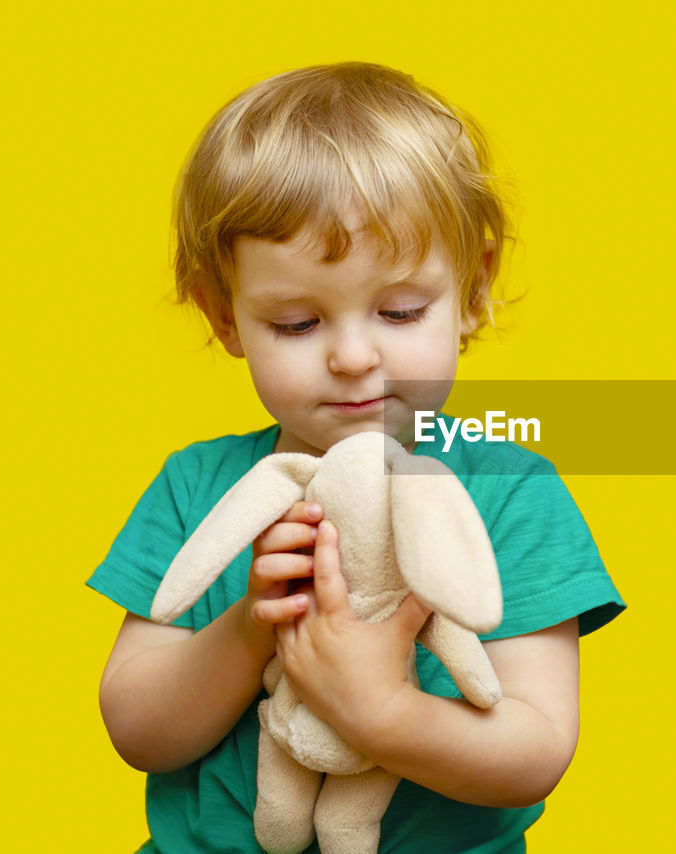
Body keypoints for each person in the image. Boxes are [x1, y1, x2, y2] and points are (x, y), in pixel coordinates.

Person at [89, 62, 624, 853]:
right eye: (297, 324)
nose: (351, 356)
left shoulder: (513, 493)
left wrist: (383, 713)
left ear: (472, 293)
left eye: (401, 311)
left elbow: (534, 752)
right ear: (225, 317)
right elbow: (137, 729)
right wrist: (249, 630)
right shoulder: (195, 487)